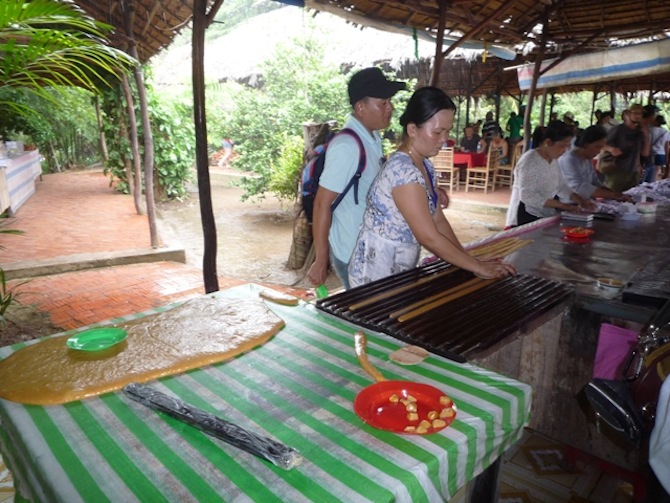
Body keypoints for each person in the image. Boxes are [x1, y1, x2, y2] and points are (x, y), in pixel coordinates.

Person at [348, 87, 516, 288]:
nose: (444, 139)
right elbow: (428, 236)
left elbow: (438, 221)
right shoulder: (402, 171)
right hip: (375, 272)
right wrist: (476, 266)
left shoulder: (425, 165)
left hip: (400, 266)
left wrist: (466, 258)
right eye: (437, 131)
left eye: (447, 131)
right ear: (412, 130)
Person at [307, 67, 406, 290]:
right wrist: (321, 260)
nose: (390, 108)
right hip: (354, 255)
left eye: (389, 102)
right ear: (360, 107)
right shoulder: (347, 146)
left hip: (370, 250)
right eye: (383, 103)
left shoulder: (372, 138)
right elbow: (322, 203)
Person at [505, 121, 596, 227]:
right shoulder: (530, 160)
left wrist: (580, 200)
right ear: (548, 142)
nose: (565, 151)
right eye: (562, 146)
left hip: (543, 214)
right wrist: (563, 205)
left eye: (567, 147)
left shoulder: (553, 160)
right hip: (525, 215)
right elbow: (528, 196)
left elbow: (561, 186)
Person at [558, 125, 632, 202]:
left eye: (601, 148)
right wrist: (612, 195)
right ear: (586, 144)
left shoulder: (588, 158)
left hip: (587, 202)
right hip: (571, 204)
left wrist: (613, 193)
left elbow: (594, 180)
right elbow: (578, 187)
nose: (599, 151)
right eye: (597, 147)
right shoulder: (569, 159)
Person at [600, 104, 647, 192]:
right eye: (636, 113)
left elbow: (644, 153)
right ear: (628, 114)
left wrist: (646, 135)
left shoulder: (640, 132)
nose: (638, 116)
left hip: (633, 172)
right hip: (617, 171)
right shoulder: (618, 129)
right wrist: (611, 149)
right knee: (611, 196)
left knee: (630, 198)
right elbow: (601, 144)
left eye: (640, 114)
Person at [641, 104, 659, 183]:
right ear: (651, 115)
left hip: (649, 162)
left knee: (648, 188)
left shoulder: (648, 129)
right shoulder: (639, 129)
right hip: (642, 164)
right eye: (655, 114)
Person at [651, 115, 670, 179]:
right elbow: (666, 145)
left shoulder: (650, 130)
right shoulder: (665, 132)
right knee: (657, 172)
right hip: (661, 154)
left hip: (650, 154)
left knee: (649, 171)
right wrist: (667, 157)